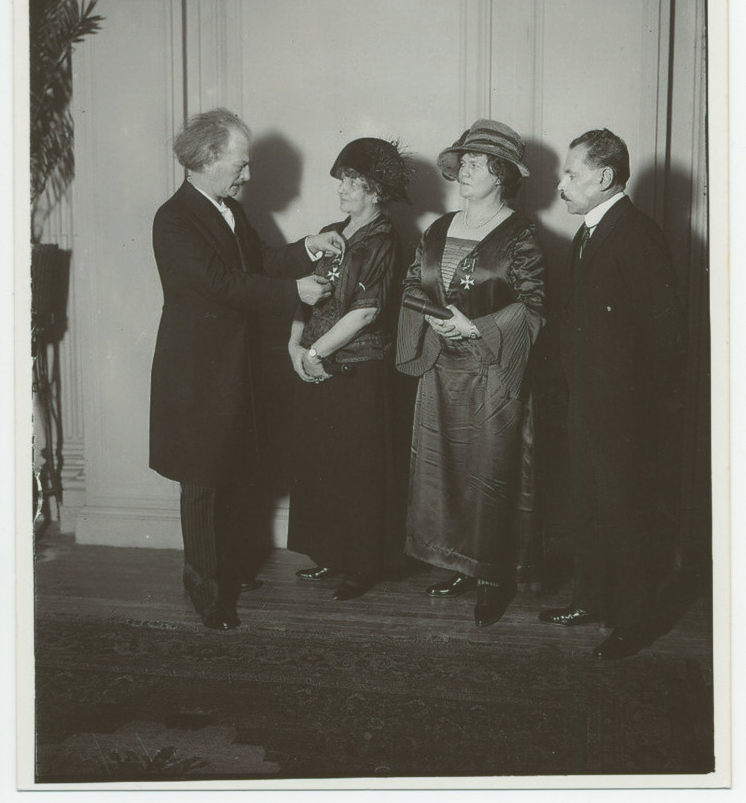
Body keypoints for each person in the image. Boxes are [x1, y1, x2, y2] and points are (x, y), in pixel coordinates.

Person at [149, 108, 345, 631]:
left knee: (230, 472)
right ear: (209, 158)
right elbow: (218, 284)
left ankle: (226, 570)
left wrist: (308, 248)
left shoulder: (225, 209)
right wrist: (293, 292)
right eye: (240, 163)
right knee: (202, 480)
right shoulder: (174, 218)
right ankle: (206, 590)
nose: (248, 174)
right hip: (197, 373)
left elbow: (257, 262)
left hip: (230, 368)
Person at [539, 128, 686, 659]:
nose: (562, 184)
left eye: (571, 174)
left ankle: (634, 621)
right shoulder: (592, 231)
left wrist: (643, 413)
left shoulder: (636, 234)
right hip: (588, 401)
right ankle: (594, 599)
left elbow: (664, 336)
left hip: (625, 411)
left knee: (625, 511)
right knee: (590, 506)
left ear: (604, 178)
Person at [397, 120, 546, 627]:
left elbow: (535, 308)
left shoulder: (521, 234)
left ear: (502, 173)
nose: (465, 170)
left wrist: (476, 326)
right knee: (447, 470)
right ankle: (458, 563)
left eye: (478, 163)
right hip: (440, 368)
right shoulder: (437, 228)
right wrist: (437, 323)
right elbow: (413, 288)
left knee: (492, 474)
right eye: (463, 162)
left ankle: (492, 577)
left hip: (494, 371)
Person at [286, 138, 414, 600]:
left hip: (358, 370)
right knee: (322, 462)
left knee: (358, 469)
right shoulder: (331, 232)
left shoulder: (384, 239)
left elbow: (367, 312)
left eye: (352, 182)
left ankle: (363, 564)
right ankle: (330, 555)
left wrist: (315, 354)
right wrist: (294, 347)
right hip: (315, 361)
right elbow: (306, 293)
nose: (342, 188)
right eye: (342, 179)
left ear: (376, 191)